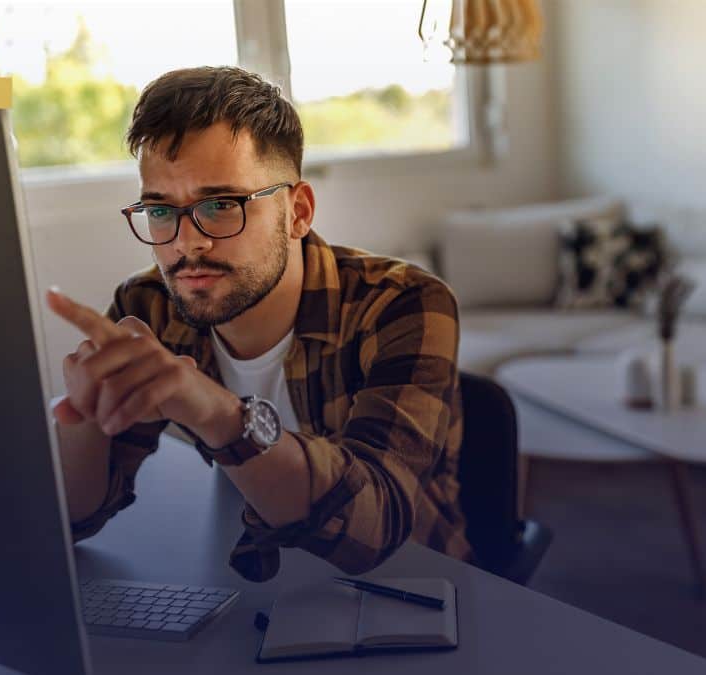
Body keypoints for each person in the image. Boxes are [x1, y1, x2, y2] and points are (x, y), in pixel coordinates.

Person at [46, 66, 471, 580]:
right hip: (257, 580)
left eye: (221, 205)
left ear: (298, 212)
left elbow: (373, 527)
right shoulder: (150, 305)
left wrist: (219, 414)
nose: (187, 243)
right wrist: (84, 417)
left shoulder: (402, 306)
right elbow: (72, 522)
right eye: (160, 212)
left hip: (420, 592)